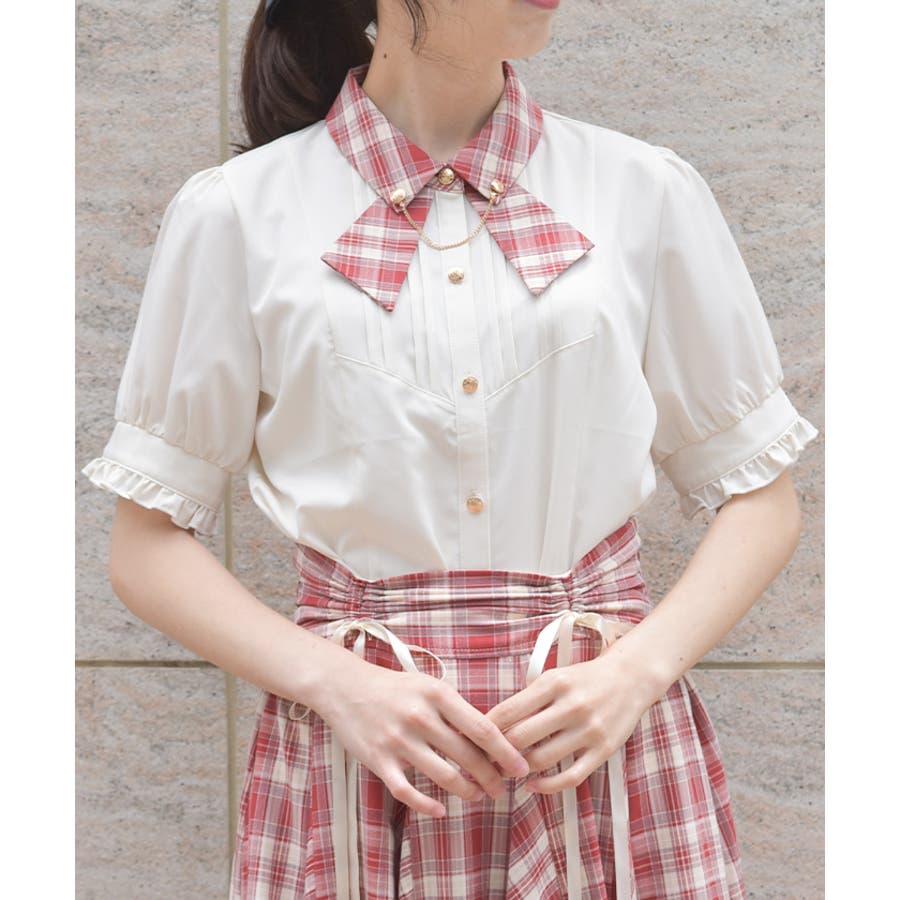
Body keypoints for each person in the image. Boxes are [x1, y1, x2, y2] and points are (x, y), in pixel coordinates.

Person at [80, 1, 820, 897]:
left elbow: (761, 497)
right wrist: (337, 684)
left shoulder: (644, 190)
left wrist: (636, 672)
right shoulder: (235, 213)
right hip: (365, 754)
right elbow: (145, 546)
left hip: (601, 739)